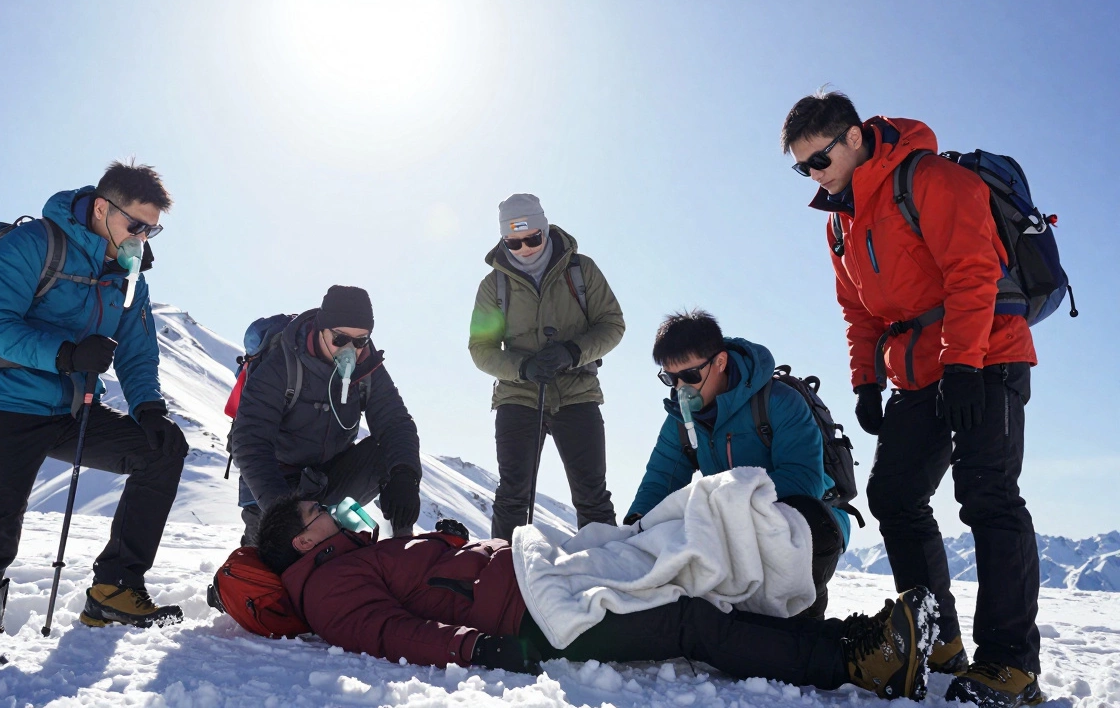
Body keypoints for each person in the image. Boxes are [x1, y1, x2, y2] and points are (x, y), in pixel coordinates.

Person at [781, 88, 1041, 708]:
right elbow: (858, 310)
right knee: (893, 496)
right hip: (919, 373)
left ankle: (1012, 665)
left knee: (988, 497)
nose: (813, 176)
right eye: (801, 168)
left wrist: (965, 365)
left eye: (819, 160)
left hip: (988, 355)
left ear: (851, 137)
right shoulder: (840, 221)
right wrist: (866, 379)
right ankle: (937, 636)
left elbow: (973, 272)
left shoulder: (931, 179)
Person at [255, 493, 940, 702]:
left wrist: (447, 546)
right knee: (687, 623)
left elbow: (419, 583)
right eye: (320, 510)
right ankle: (857, 663)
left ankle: (855, 637)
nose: (334, 512)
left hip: (536, 576)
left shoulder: (347, 559)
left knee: (683, 573)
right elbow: (388, 632)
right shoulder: (326, 588)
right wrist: (475, 647)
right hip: (535, 614)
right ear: (302, 541)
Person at [0, 161, 188, 631]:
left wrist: (149, 409)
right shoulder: (30, 245)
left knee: (163, 451)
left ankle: (114, 591)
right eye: (135, 225)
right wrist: (67, 355)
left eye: (152, 230)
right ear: (102, 208)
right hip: (1, 405)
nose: (142, 238)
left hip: (71, 409)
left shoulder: (128, 275)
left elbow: (137, 353)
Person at [625, 310, 851, 618]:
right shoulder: (680, 420)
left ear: (720, 362)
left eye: (689, 375)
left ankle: (805, 622)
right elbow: (660, 480)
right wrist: (635, 528)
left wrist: (724, 500)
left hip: (809, 523)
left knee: (807, 522)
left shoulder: (779, 402)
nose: (680, 388)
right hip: (731, 526)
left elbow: (802, 483)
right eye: (670, 378)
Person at [468, 193, 625, 541]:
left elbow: (612, 324)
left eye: (532, 238)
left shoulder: (581, 270)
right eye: (513, 241)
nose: (524, 248)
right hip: (518, 397)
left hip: (578, 392)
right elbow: (481, 349)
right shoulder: (493, 286)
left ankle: (608, 579)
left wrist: (573, 351)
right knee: (512, 496)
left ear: (545, 228)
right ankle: (504, 580)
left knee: (592, 497)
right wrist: (523, 368)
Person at [231, 285, 422, 545]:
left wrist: (405, 476)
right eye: (340, 338)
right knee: (273, 565)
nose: (350, 350)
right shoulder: (281, 363)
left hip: (330, 477)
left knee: (390, 454)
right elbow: (250, 441)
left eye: (360, 340)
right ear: (320, 329)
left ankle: (402, 554)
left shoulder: (367, 367)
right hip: (275, 483)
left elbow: (396, 424)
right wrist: (283, 512)